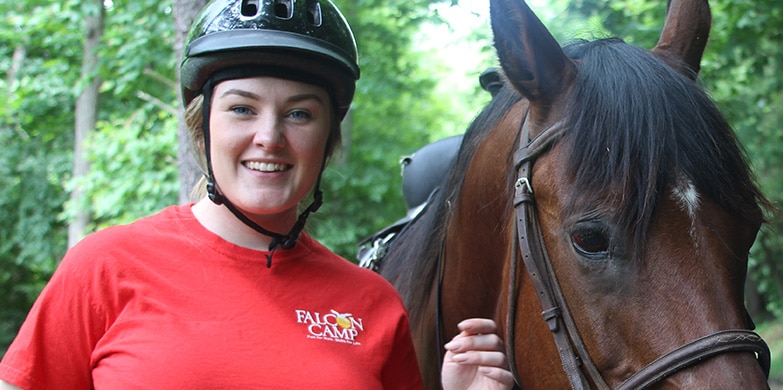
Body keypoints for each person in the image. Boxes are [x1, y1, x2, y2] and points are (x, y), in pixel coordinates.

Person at [0, 0, 512, 388]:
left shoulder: (372, 305)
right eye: (242, 108)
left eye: (299, 114)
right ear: (203, 128)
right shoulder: (105, 266)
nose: (269, 136)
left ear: (327, 139)